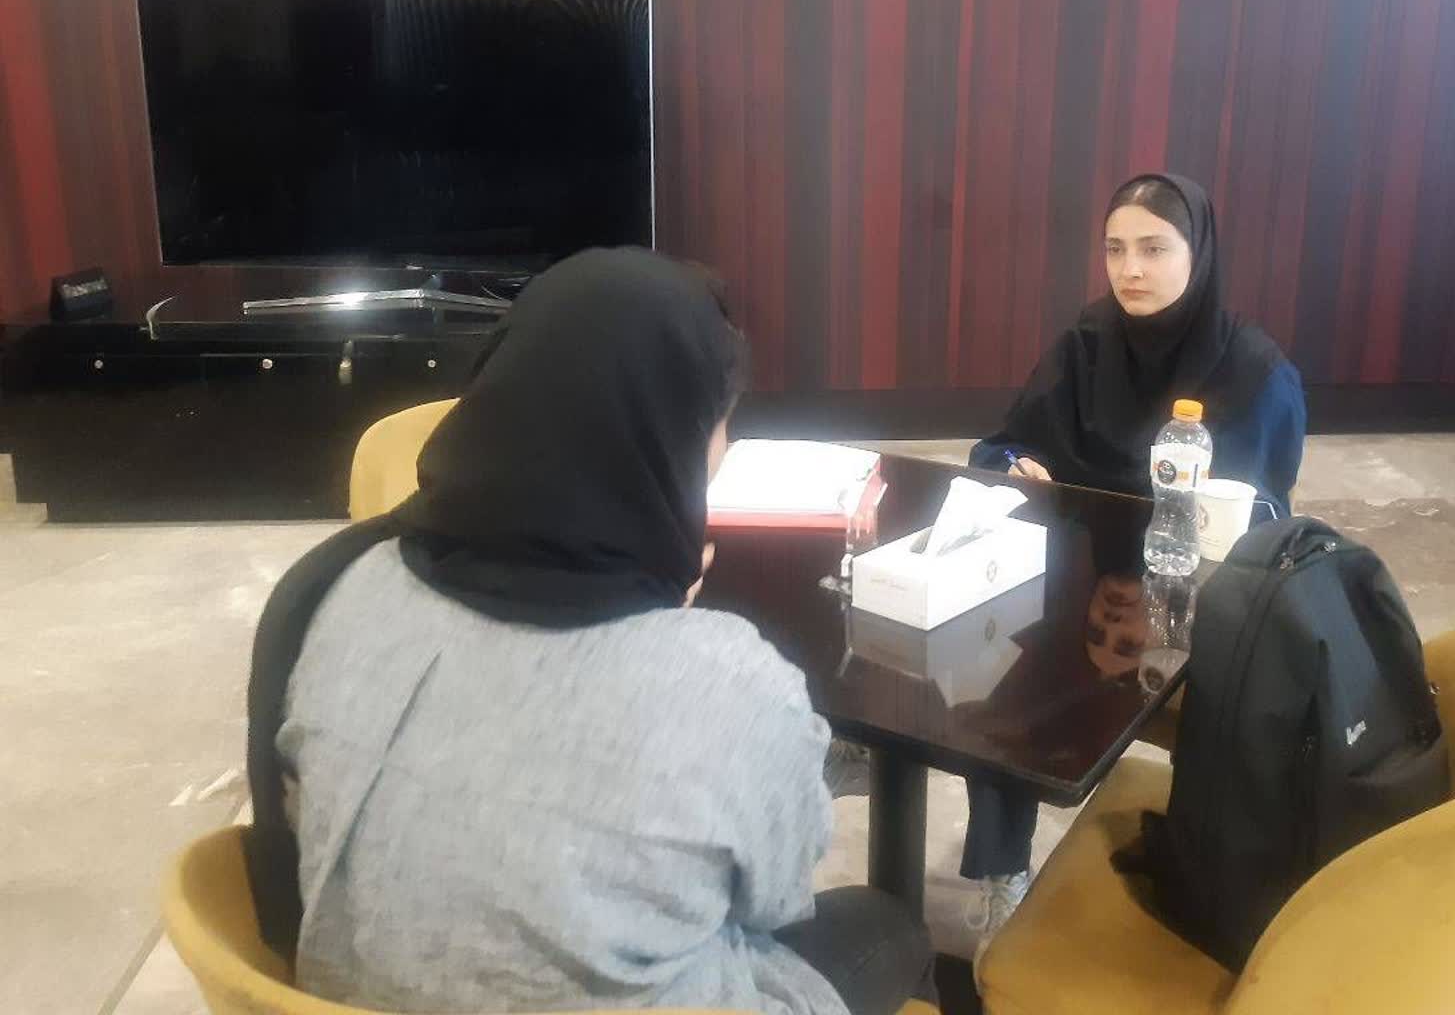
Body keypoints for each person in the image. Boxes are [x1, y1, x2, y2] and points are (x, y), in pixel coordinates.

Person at [243, 249, 937, 1015]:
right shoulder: (732, 683)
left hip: (350, 991)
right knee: (888, 927)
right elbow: (775, 898)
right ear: (677, 439)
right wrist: (677, 654)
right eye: (719, 423)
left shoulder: (342, 587)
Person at [963, 173, 1306, 954]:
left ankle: (1207, 887)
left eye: (1154, 249)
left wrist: (1183, 573)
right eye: (1115, 249)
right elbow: (1000, 444)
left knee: (1242, 705)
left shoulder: (1254, 369)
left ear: (1199, 254)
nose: (1130, 270)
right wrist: (1015, 466)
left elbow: (1268, 517)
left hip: (1192, 589)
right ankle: (999, 871)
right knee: (999, 659)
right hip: (1078, 573)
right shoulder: (1086, 342)